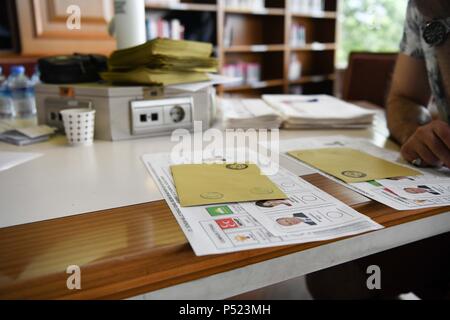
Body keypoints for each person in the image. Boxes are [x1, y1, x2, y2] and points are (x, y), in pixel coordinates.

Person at [306, 0, 450, 299]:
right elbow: (403, 98)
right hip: (438, 202)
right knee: (334, 264)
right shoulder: (421, 7)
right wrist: (416, 134)